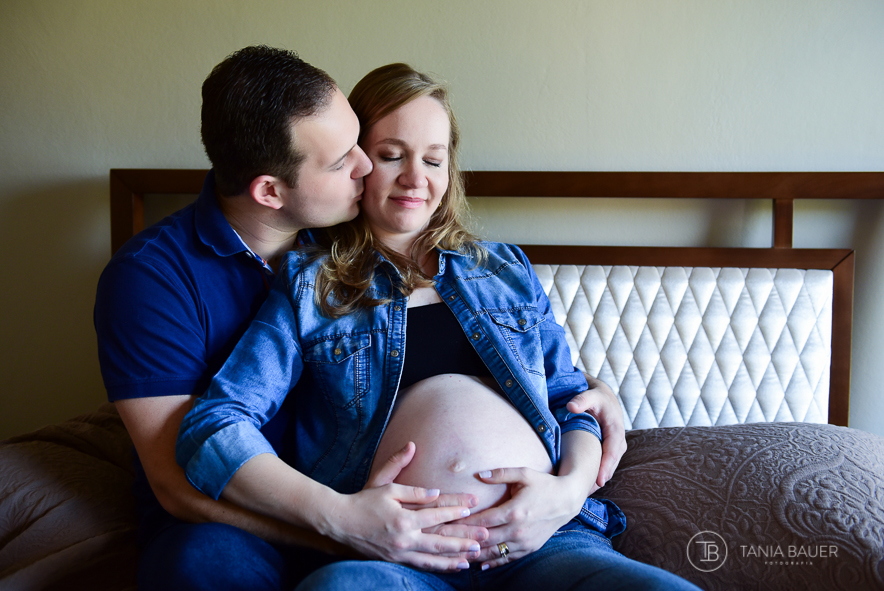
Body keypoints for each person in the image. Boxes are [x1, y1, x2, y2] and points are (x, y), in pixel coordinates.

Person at [94, 46, 626, 591]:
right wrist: (352, 527)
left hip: (531, 534)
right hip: (314, 530)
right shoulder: (226, 279)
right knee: (217, 567)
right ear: (271, 192)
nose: (369, 168)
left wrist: (588, 419)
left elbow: (555, 384)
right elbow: (183, 471)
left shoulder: (489, 266)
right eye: (367, 155)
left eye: (432, 158)